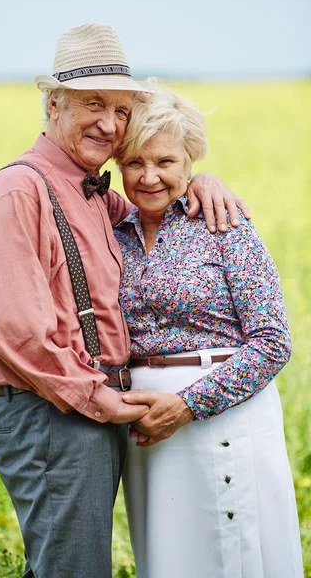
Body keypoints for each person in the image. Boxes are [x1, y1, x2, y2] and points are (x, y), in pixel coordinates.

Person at [0, 24, 250, 578]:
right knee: (74, 569)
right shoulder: (20, 190)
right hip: (52, 411)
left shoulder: (97, 193)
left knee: (70, 564)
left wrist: (202, 181)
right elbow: (15, 332)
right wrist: (100, 400)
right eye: (93, 103)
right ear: (53, 103)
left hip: (87, 410)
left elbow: (155, 198)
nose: (110, 124)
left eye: (121, 110)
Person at [114, 87, 303, 578]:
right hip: (147, 434)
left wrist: (189, 405)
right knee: (168, 558)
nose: (150, 176)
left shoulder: (225, 223)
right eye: (134, 162)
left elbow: (272, 341)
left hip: (223, 418)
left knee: (236, 556)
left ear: (190, 159)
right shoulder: (109, 230)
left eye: (166, 161)